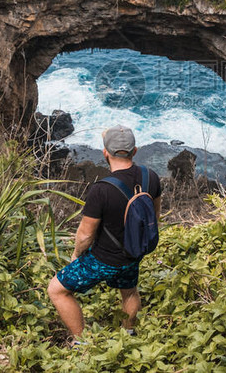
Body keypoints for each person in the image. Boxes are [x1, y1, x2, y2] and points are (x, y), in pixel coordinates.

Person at [47, 125, 162, 343]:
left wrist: (76, 255)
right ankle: (129, 334)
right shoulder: (151, 177)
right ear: (135, 151)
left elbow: (85, 235)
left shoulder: (101, 190)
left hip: (104, 258)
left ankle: (81, 343)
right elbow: (154, 217)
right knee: (129, 291)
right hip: (134, 252)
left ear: (105, 153)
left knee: (57, 290)